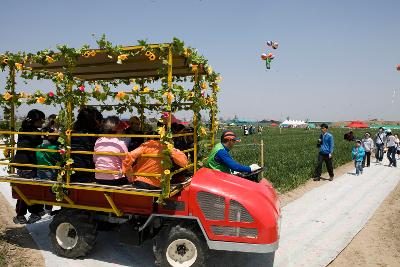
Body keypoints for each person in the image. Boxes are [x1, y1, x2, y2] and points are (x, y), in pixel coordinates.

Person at [12, 109, 45, 224]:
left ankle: (23, 214)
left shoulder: (23, 130)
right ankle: (33, 213)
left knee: (24, 189)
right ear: (36, 120)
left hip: (20, 164)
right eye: (42, 120)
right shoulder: (34, 133)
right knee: (31, 189)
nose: (43, 122)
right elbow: (39, 140)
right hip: (29, 165)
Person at [122, 140, 188, 190]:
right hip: (157, 185)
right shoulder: (167, 147)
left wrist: (128, 172)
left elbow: (129, 156)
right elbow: (184, 162)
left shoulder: (145, 146)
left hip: (140, 182)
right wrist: (173, 152)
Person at [70, 106, 103, 183]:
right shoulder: (95, 136)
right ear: (95, 121)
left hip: (71, 172)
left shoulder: (71, 134)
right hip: (87, 174)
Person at [93, 116, 129, 186]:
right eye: (121, 128)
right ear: (118, 129)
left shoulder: (98, 141)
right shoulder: (120, 143)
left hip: (98, 178)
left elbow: (95, 159)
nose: (123, 130)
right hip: (115, 180)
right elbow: (127, 162)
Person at [36, 126, 61, 213]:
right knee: (51, 190)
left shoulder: (38, 147)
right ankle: (48, 208)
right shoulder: (54, 148)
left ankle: (42, 208)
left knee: (44, 189)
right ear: (50, 136)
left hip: (39, 172)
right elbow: (60, 159)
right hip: (51, 172)